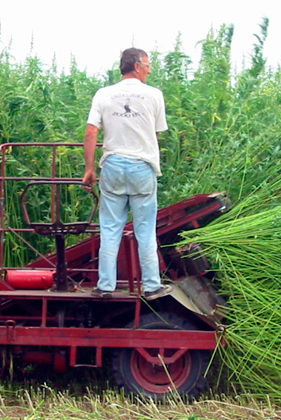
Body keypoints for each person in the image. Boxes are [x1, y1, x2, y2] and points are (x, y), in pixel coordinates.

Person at [82, 48, 172, 301]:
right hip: (142, 166)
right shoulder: (154, 95)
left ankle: (105, 286)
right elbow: (155, 136)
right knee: (145, 229)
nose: (150, 69)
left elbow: (91, 132)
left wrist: (89, 169)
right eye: (147, 65)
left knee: (110, 228)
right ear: (136, 65)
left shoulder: (103, 94)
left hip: (112, 165)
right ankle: (152, 285)